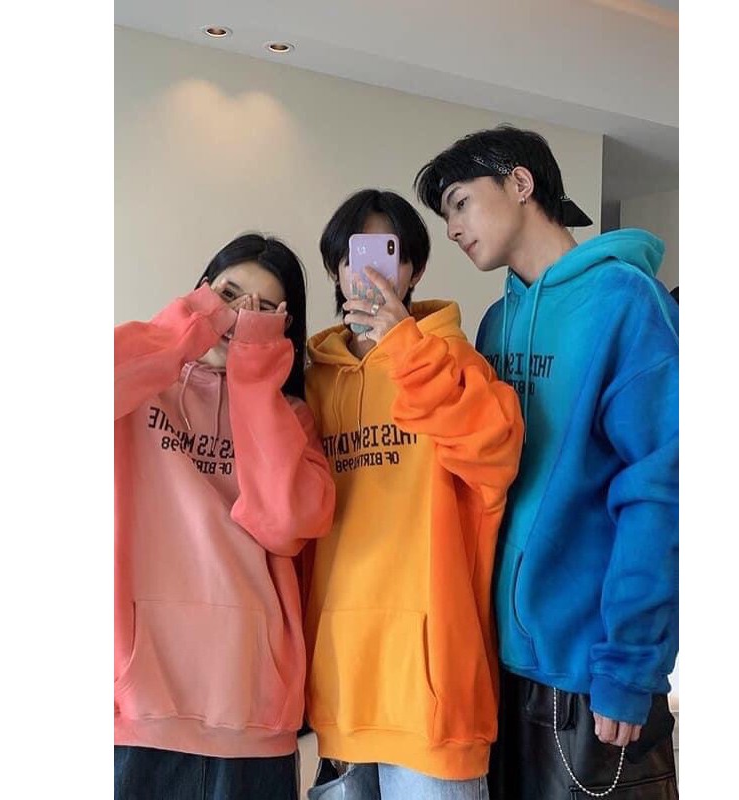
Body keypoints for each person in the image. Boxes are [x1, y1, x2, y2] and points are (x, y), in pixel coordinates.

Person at [415, 126, 679, 800]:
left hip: (590, 674)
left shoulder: (625, 302)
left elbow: (660, 488)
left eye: (460, 203)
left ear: (520, 183)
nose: (452, 229)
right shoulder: (495, 324)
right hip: (500, 668)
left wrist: (630, 663)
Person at [301, 189, 524, 799]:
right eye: (355, 254)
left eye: (389, 252)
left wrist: (404, 347)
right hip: (343, 691)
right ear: (337, 269)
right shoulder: (315, 385)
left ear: (414, 269)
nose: (371, 270)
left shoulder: (455, 363)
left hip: (434, 699)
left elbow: (494, 454)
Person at [114, 233, 335, 800]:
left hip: (252, 717)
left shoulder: (291, 420)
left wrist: (256, 379)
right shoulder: (137, 392)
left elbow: (285, 523)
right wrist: (185, 330)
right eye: (229, 296)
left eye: (264, 310)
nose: (238, 319)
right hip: (140, 713)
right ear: (199, 294)